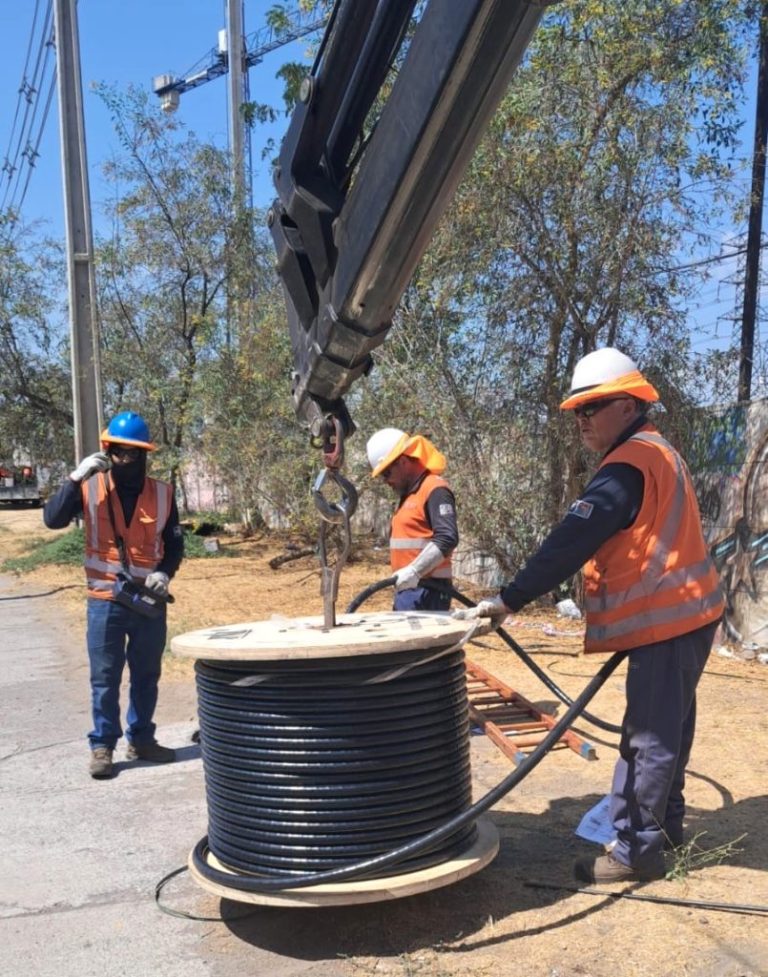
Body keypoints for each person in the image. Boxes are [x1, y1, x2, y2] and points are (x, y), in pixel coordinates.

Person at [454, 348, 724, 883]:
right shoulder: (656, 451)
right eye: (577, 410)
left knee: (647, 737)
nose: (581, 420)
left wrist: (511, 598)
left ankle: (635, 854)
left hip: (668, 619)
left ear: (628, 405)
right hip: (688, 612)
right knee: (669, 728)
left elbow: (572, 539)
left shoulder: (629, 465)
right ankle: (665, 827)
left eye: (593, 408)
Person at [44, 411, 184, 780]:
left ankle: (142, 739)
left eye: (134, 453)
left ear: (144, 455)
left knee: (146, 674)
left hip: (146, 602)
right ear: (108, 451)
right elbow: (53, 519)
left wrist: (163, 573)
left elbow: (174, 545)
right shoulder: (89, 488)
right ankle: (102, 746)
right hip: (104, 601)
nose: (126, 460)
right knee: (105, 677)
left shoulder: (162, 493)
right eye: (119, 452)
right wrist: (75, 477)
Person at [366, 428, 458, 611]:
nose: (386, 481)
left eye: (386, 473)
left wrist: (415, 571)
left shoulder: (434, 489)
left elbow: (447, 538)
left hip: (428, 593)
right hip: (411, 590)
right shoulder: (410, 495)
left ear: (402, 461)